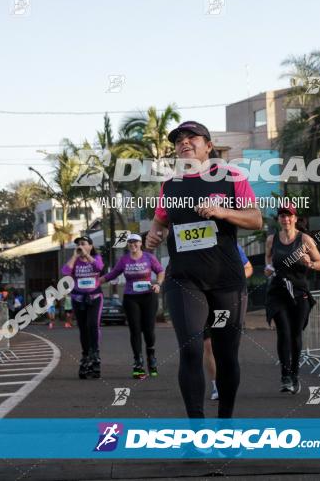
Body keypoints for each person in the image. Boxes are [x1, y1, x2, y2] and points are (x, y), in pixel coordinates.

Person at [145, 120, 262, 418]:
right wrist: (154, 233)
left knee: (225, 355)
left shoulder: (232, 177)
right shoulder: (170, 186)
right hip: (185, 280)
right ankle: (196, 431)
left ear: (208, 146)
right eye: (178, 139)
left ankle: (225, 426)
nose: (184, 142)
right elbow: (160, 220)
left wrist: (223, 211)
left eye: (192, 137)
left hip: (226, 282)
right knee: (192, 350)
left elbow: (256, 220)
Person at [264, 203, 320, 394]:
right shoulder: (272, 240)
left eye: (289, 216)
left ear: (295, 219)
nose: (285, 219)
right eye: (282, 216)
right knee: (284, 332)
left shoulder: (305, 239)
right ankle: (285, 377)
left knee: (296, 335)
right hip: (278, 292)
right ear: (279, 219)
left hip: (299, 293)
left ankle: (295, 375)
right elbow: (268, 261)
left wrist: (310, 264)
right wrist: (268, 269)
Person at [101, 234, 165, 378]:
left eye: (135, 242)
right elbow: (112, 274)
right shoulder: (124, 260)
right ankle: (138, 361)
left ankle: (151, 357)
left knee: (148, 330)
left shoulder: (149, 257)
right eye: (129, 242)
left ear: (140, 243)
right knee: (135, 330)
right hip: (131, 298)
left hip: (149, 297)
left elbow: (160, 271)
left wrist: (158, 284)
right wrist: (97, 281)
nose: (132, 244)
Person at [205, 243, 253, 400]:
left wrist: (235, 277)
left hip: (223, 302)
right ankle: (215, 385)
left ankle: (224, 382)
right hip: (201, 300)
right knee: (208, 345)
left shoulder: (231, 244)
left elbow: (248, 268)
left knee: (223, 345)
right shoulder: (195, 243)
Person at [61, 235, 105, 379]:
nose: (80, 246)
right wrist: (74, 257)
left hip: (95, 298)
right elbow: (65, 272)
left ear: (90, 246)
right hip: (78, 299)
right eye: (78, 244)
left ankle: (95, 354)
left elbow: (99, 268)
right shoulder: (76, 261)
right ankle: (86, 355)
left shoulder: (96, 258)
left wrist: (87, 255)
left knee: (93, 324)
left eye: (83, 243)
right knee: (83, 329)